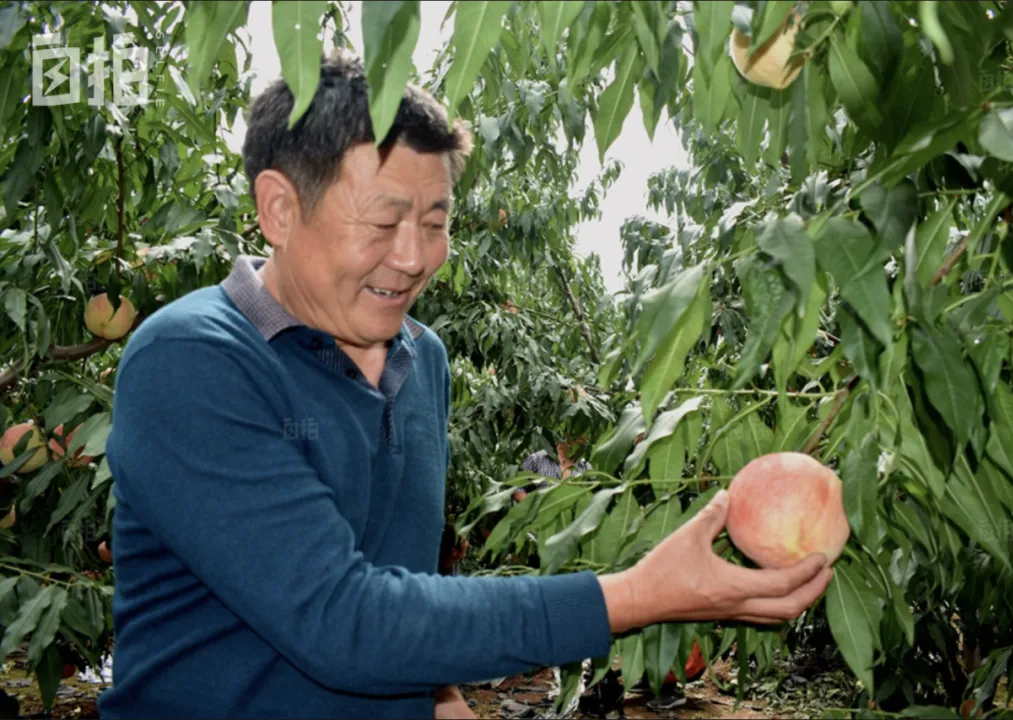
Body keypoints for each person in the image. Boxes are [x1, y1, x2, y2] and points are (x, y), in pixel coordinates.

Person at [99, 52, 834, 719]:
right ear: (280, 210)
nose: (414, 258)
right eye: (383, 222)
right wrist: (639, 594)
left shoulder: (423, 359)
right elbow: (343, 622)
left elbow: (400, 584)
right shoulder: (193, 362)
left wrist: (443, 698)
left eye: (435, 222)